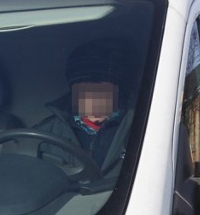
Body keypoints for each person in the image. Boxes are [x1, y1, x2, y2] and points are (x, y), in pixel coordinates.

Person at [34, 39, 129, 172]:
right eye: (84, 85)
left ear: (116, 87)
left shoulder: (139, 125)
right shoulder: (45, 132)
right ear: (73, 89)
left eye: (100, 84)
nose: (93, 94)